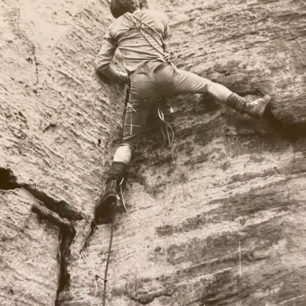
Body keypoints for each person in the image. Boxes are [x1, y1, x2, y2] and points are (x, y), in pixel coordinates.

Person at [94, 0, 271, 222]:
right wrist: (145, 8)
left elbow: (101, 65)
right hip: (166, 74)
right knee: (207, 86)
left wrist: (122, 77)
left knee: (127, 142)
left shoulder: (113, 28)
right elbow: (164, 35)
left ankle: (111, 186)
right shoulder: (156, 16)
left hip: (140, 85)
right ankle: (248, 106)